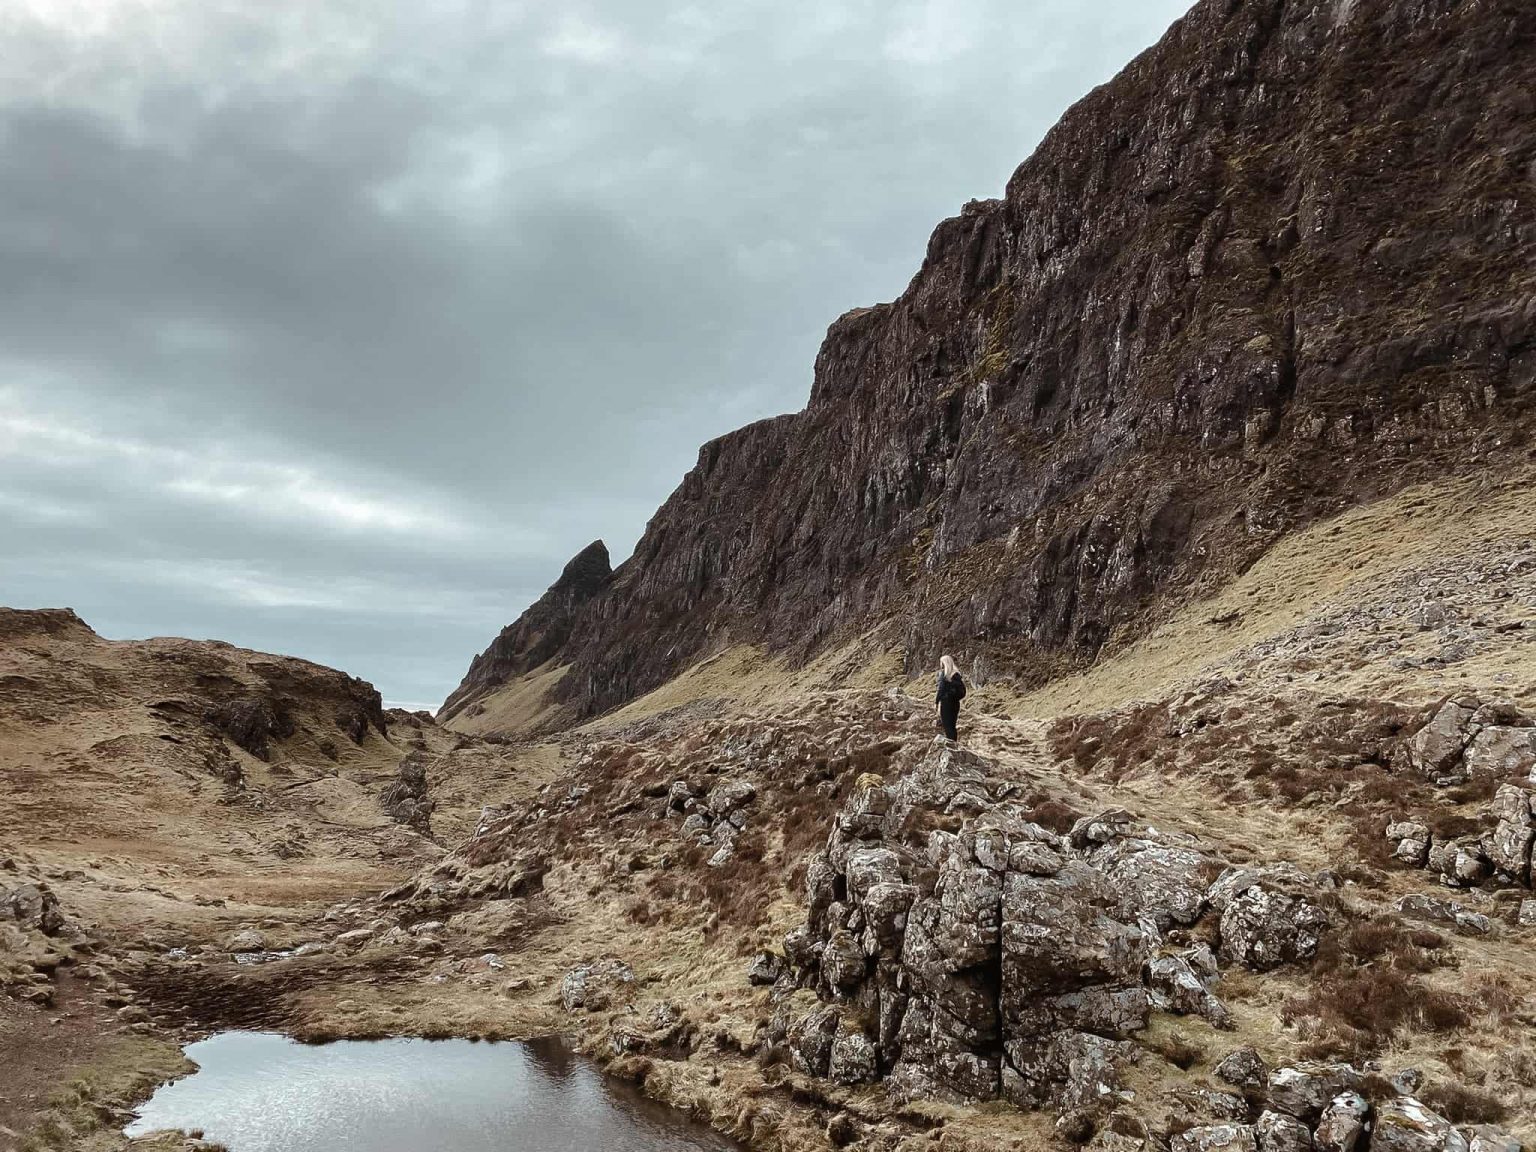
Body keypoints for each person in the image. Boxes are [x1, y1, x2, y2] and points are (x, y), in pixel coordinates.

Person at [935, 654, 966, 742]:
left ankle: (950, 747)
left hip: (946, 703)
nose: (940, 665)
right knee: (952, 726)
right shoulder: (957, 675)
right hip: (956, 703)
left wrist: (936, 702)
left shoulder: (945, 675)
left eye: (941, 663)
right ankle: (954, 744)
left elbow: (940, 690)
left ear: (944, 663)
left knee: (947, 725)